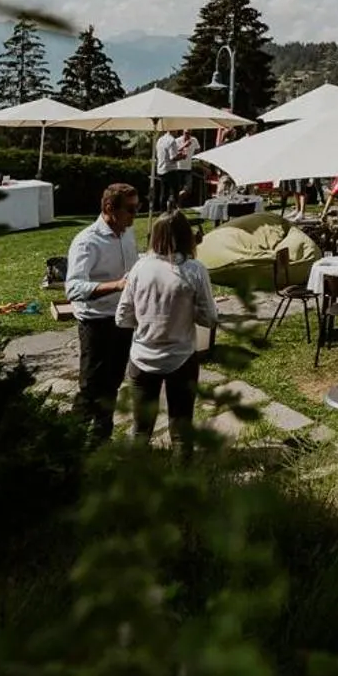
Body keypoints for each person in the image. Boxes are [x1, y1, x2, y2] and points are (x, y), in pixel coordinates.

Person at [117, 211, 218, 452]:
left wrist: (147, 319)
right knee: (182, 430)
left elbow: (122, 317)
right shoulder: (194, 270)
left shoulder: (139, 268)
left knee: (140, 429)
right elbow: (210, 318)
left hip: (142, 357)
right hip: (181, 357)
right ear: (187, 237)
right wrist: (185, 311)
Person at [66, 183, 141, 441]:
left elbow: (135, 265)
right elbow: (73, 287)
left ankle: (100, 440)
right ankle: (67, 444)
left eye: (137, 208)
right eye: (131, 209)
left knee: (112, 385)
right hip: (96, 323)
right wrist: (117, 285)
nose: (135, 215)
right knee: (90, 388)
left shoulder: (127, 233)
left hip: (123, 319)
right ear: (110, 208)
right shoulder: (87, 241)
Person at [152, 129, 177, 212]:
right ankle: (172, 211)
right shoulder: (172, 140)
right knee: (173, 192)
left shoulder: (160, 139)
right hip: (170, 169)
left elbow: (158, 154)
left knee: (163, 192)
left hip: (161, 168)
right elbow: (172, 157)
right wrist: (181, 156)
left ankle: (162, 211)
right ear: (174, 130)